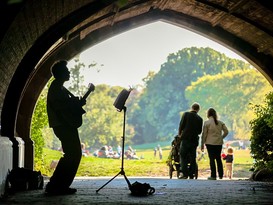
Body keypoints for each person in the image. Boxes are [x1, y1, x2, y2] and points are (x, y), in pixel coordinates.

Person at [45, 60, 95, 195]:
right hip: (64, 125)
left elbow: (66, 106)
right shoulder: (56, 88)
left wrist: (76, 103)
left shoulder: (59, 87)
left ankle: (58, 185)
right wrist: (75, 104)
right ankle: (57, 185)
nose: (69, 72)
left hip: (65, 125)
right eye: (66, 71)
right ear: (61, 73)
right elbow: (61, 107)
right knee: (73, 154)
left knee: (71, 154)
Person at [201, 107, 228, 180]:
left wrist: (202, 144)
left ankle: (213, 175)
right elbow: (226, 131)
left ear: (208, 114)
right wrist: (221, 137)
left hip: (209, 143)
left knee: (212, 159)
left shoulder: (207, 123)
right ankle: (221, 175)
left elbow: (204, 134)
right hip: (218, 143)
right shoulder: (220, 123)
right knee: (218, 158)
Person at [178, 102, 203, 179]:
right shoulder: (200, 119)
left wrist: (179, 134)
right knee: (192, 157)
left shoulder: (186, 114)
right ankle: (192, 173)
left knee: (183, 155)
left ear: (191, 108)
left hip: (185, 139)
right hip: (194, 140)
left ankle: (184, 173)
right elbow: (199, 131)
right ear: (198, 110)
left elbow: (181, 125)